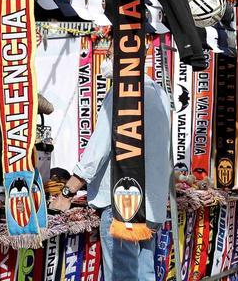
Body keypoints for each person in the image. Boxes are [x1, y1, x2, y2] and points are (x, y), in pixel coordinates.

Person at [49, 59, 172, 281]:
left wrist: (67, 192)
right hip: (151, 203)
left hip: (122, 205)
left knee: (123, 276)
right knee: (144, 274)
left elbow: (98, 149)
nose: (106, 53)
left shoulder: (122, 92)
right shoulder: (159, 93)